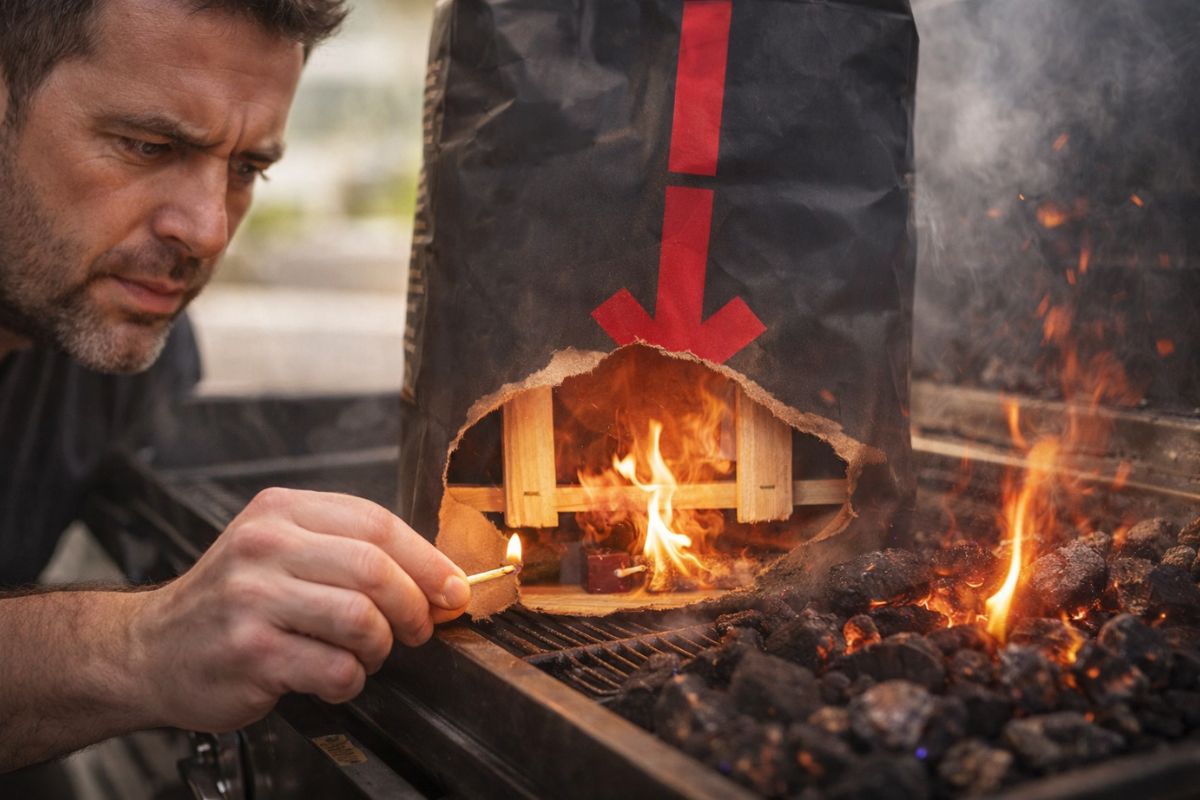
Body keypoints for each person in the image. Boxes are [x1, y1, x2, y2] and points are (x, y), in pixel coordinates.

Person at [0, 0, 471, 772]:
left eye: (248, 168)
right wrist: (140, 644)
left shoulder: (126, 332)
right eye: (148, 145)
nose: (210, 229)